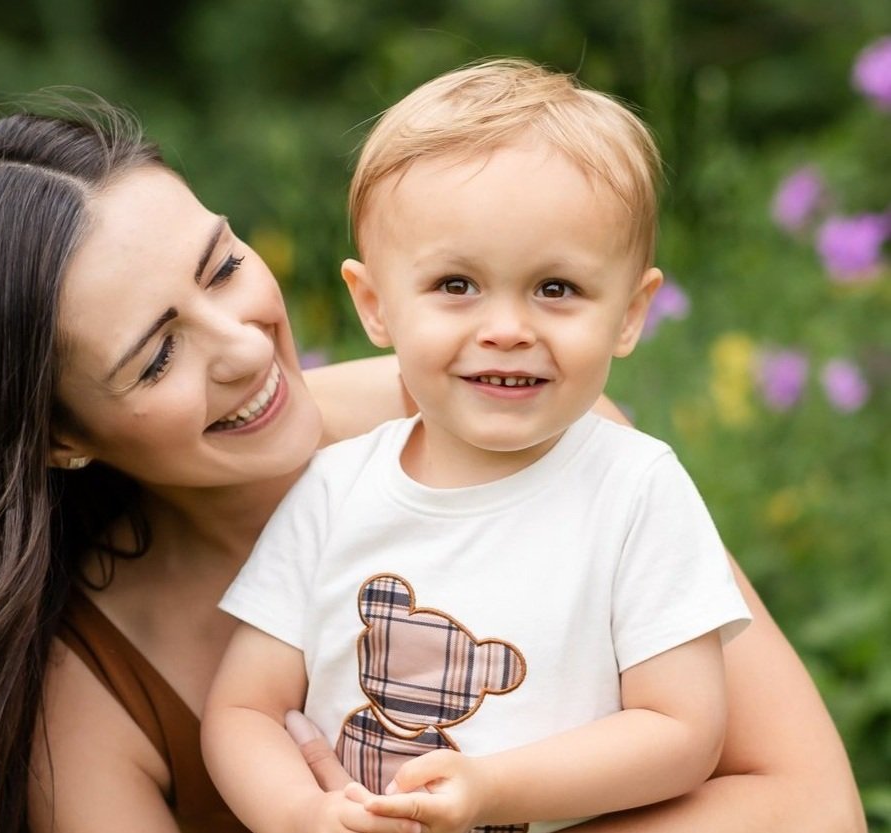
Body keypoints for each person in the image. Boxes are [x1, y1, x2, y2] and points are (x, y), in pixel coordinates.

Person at [0, 95, 865, 833]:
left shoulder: (510, 412)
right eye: (157, 353)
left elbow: (811, 805)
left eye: (224, 265)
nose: (243, 344)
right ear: (58, 436)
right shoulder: (85, 692)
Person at [202, 58, 753, 833]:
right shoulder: (334, 489)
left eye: (555, 288)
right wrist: (300, 814)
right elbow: (242, 709)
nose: (506, 328)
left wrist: (492, 788)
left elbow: (682, 730)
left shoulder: (633, 488)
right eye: (456, 285)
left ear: (630, 313)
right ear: (376, 304)